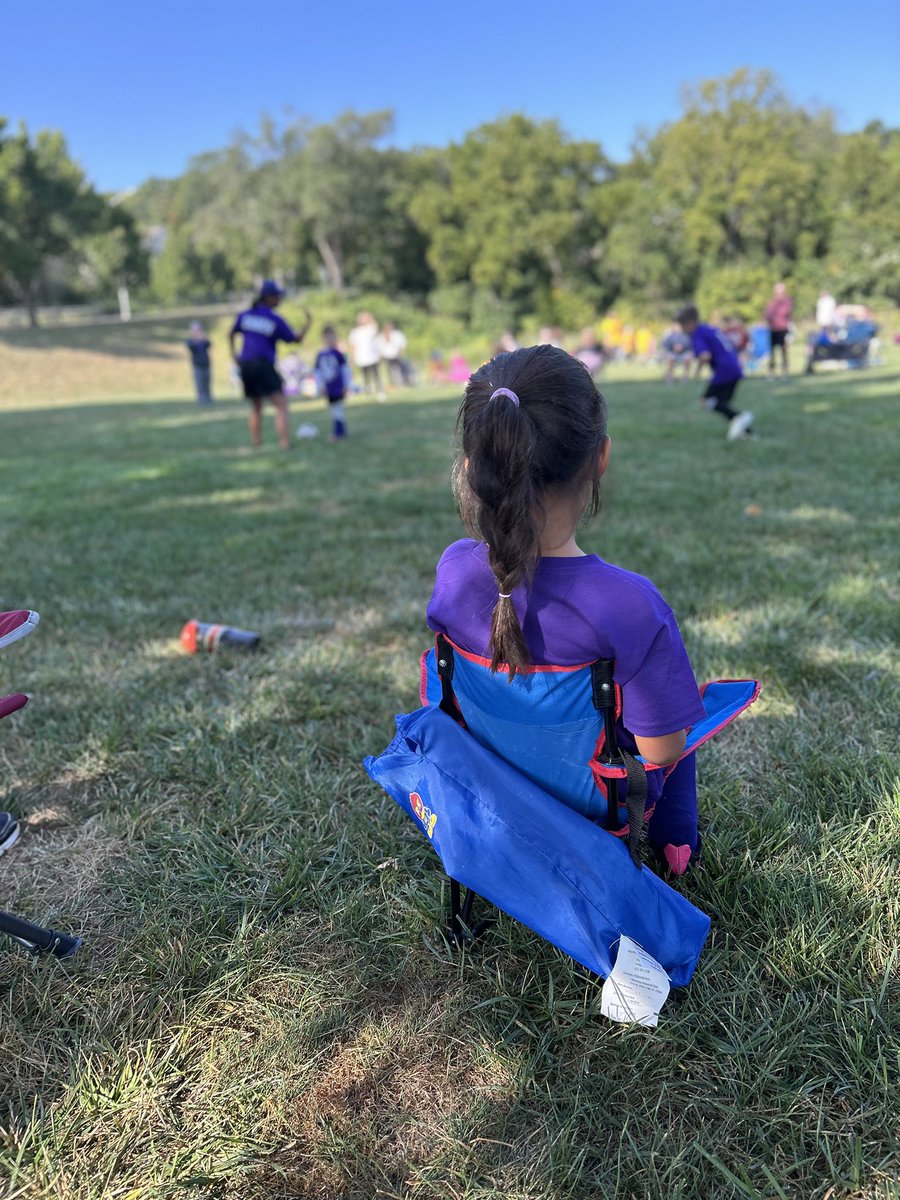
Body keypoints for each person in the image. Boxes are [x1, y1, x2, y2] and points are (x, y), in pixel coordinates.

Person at [426, 345, 708, 874]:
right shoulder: (629, 604)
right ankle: (675, 847)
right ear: (600, 458)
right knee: (683, 721)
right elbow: (661, 751)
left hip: (494, 788)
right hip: (588, 812)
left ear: (473, 467)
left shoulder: (455, 569)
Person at [229, 282, 311, 449]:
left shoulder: (246, 315)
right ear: (269, 297)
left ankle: (256, 442)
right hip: (263, 365)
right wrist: (308, 323)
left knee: (256, 406)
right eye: (277, 296)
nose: (279, 299)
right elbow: (295, 339)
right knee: (281, 405)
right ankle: (284, 443)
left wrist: (234, 355)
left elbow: (231, 333)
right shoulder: (274, 319)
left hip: (246, 365)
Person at [677, 304, 754, 440]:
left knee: (706, 401)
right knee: (722, 403)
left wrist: (697, 370)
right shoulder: (708, 328)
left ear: (689, 323)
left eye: (682, 326)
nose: (682, 330)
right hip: (734, 366)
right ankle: (747, 433)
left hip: (724, 370)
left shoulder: (697, 334)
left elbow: (705, 356)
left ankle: (741, 416)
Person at [315, 325, 350, 441]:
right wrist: (320, 386)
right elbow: (318, 372)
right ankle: (340, 431)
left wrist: (346, 385)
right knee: (334, 409)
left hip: (338, 386)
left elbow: (345, 370)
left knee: (338, 408)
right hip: (328, 387)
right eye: (327, 337)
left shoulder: (338, 354)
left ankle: (338, 432)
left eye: (332, 336)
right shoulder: (320, 355)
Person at [348, 312, 385, 399]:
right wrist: (353, 357)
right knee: (366, 376)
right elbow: (353, 346)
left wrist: (369, 316)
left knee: (376, 375)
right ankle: (368, 392)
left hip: (372, 356)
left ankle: (380, 391)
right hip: (362, 357)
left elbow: (375, 325)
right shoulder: (355, 332)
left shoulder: (370, 328)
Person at [765, 281, 793, 378]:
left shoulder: (787, 301)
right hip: (773, 329)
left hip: (783, 329)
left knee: (783, 351)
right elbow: (768, 315)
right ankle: (771, 371)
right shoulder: (772, 302)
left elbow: (786, 312)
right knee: (772, 351)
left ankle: (784, 371)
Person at [185, 321, 213, 405]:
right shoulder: (190, 341)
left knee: (207, 381)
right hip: (197, 364)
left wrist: (202, 338)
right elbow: (192, 347)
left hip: (206, 363)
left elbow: (208, 344)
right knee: (199, 382)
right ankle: (201, 399)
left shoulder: (204, 340)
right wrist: (197, 339)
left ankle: (208, 398)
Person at [377, 319, 410, 389]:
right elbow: (379, 346)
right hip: (387, 356)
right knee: (389, 371)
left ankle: (403, 382)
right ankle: (392, 384)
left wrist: (400, 352)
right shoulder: (381, 336)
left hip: (396, 355)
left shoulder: (397, 334)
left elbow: (401, 344)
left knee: (399, 369)